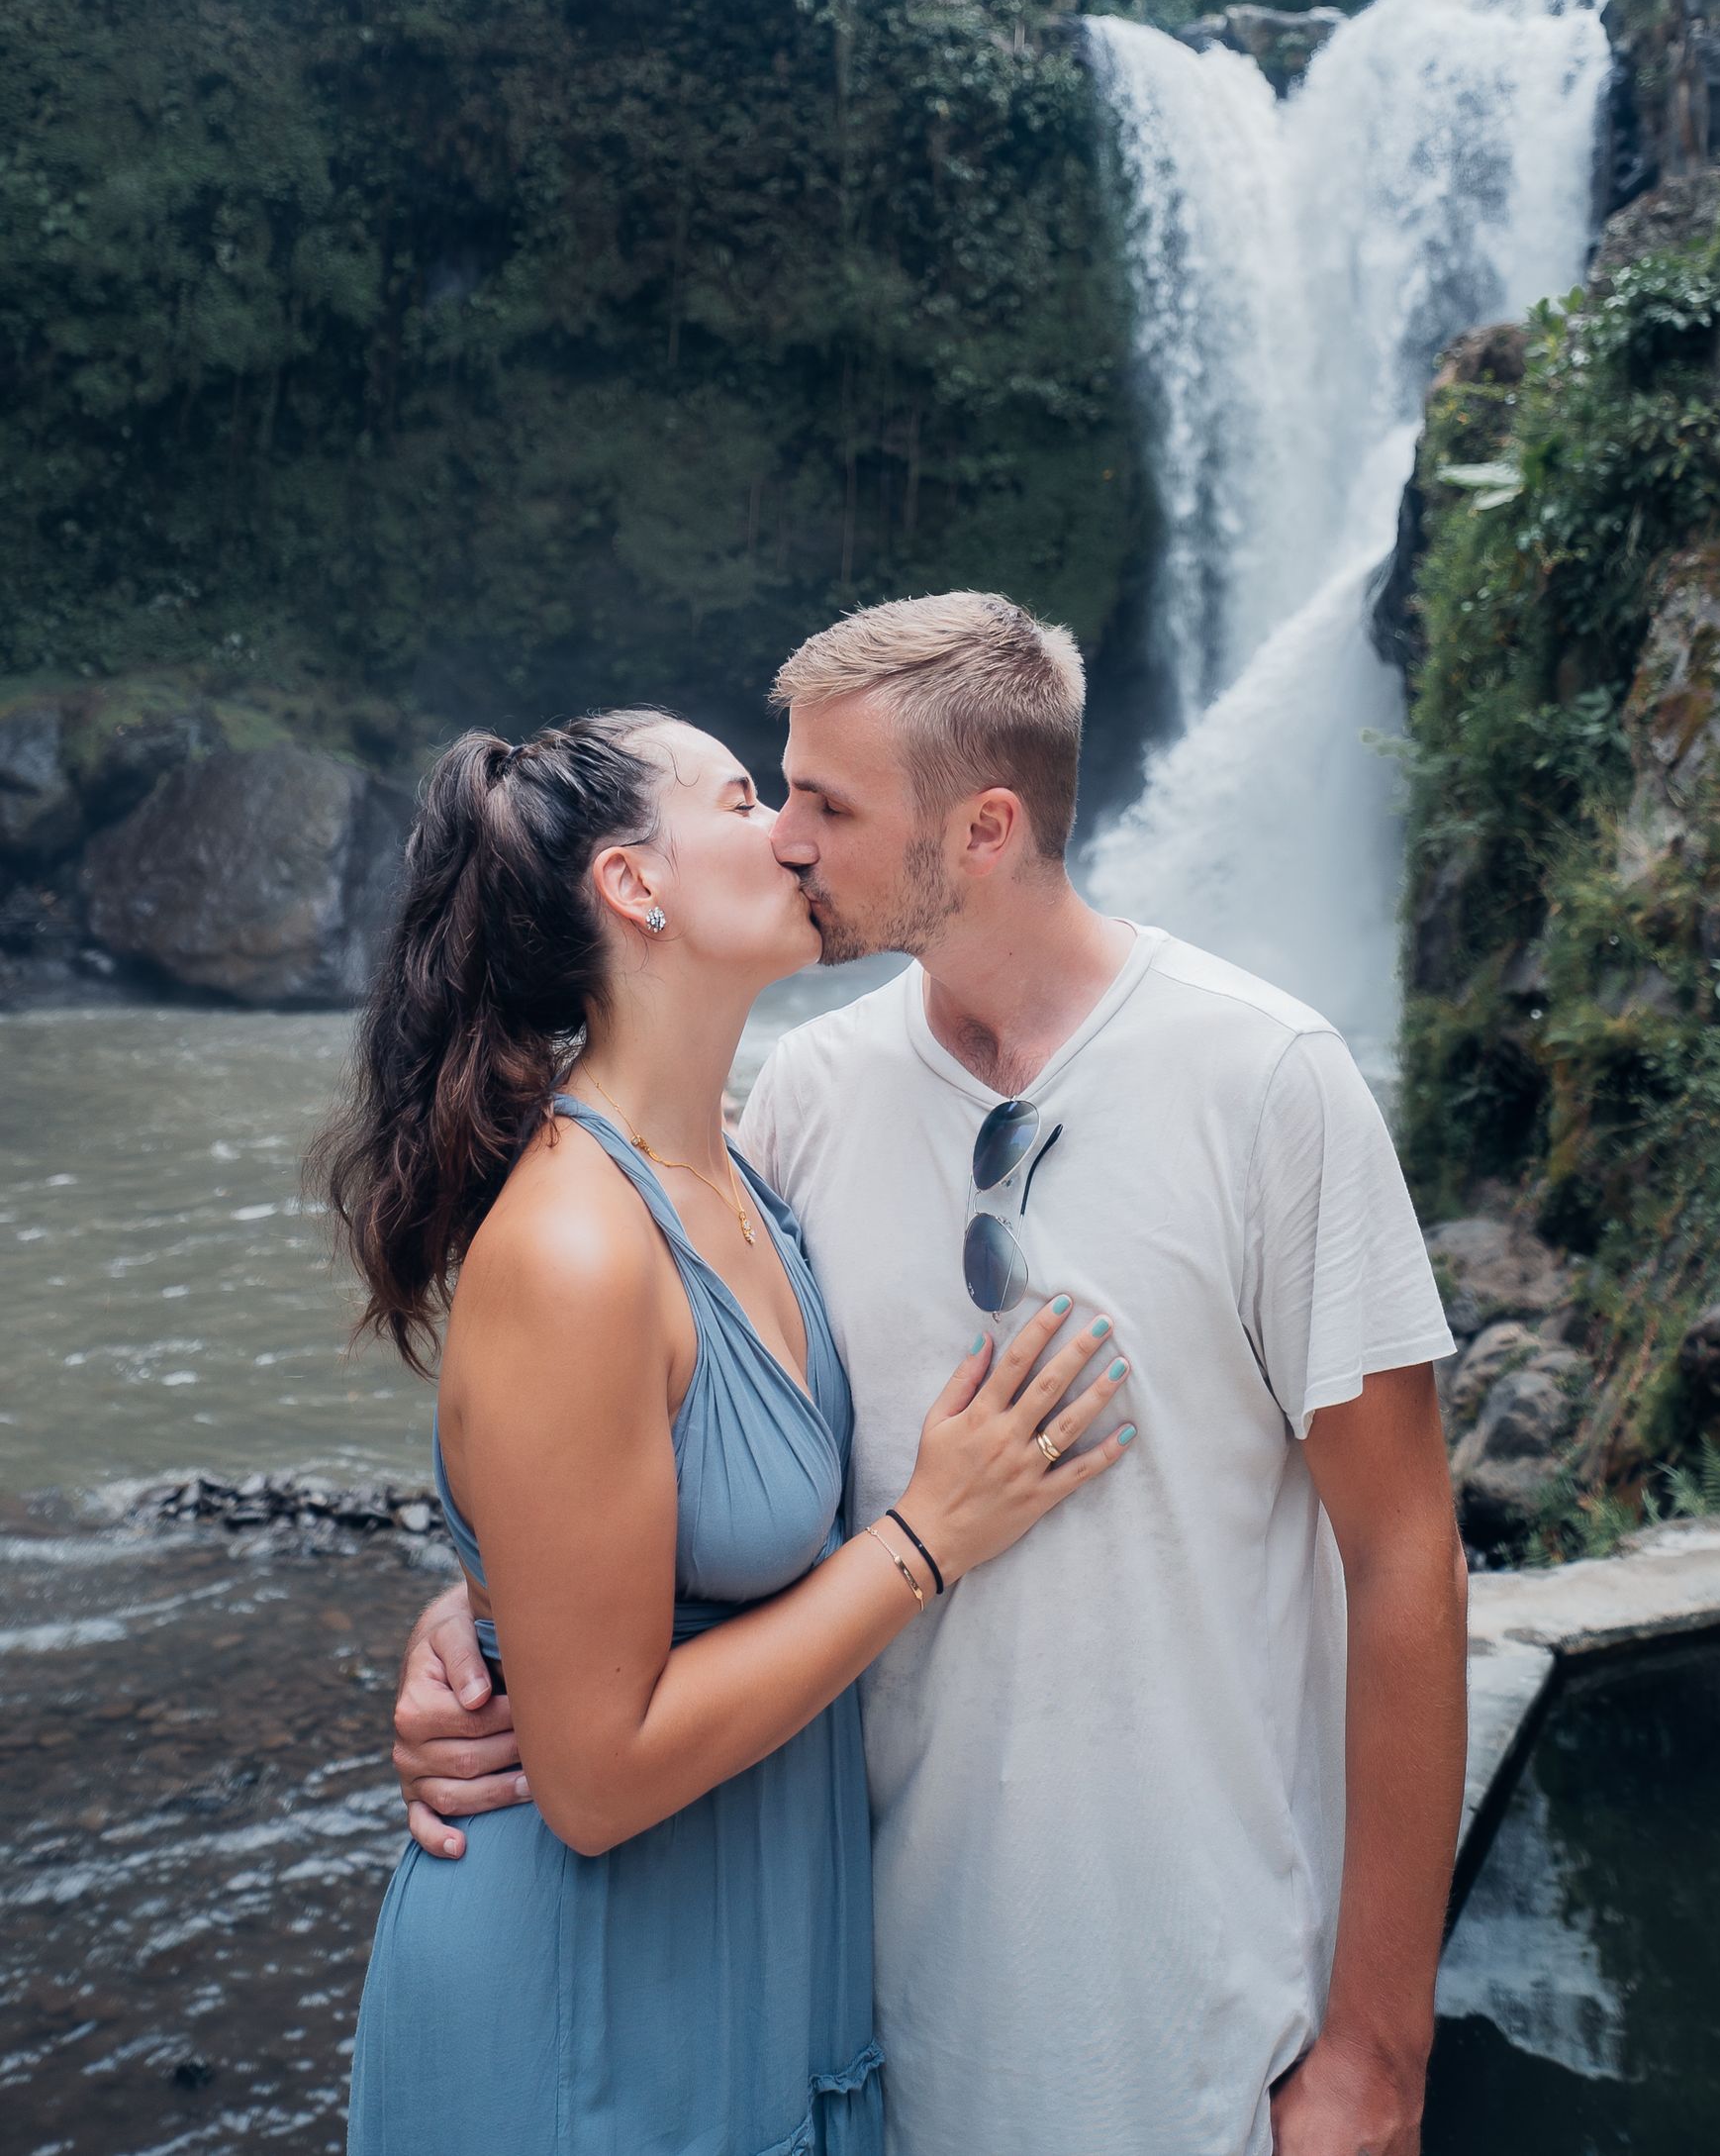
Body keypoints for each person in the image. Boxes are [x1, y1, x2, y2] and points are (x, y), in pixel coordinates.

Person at [395, 595, 1470, 2156]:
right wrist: (473, 1625)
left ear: (981, 830)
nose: (788, 841)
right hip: (861, 2025)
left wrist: (1380, 2047)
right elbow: (639, 1451)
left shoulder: (1273, 1082)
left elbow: (1408, 1563)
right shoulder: (800, 1106)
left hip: (1202, 2027)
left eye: (823, 805)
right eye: (768, 795)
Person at [319, 710, 1136, 2156]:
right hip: (582, 2025)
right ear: (636, 888)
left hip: (742, 1981)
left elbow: (632, 1517)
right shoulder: (576, 1244)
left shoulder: (741, 1174)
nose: (796, 833)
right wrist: (927, 1539)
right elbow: (592, 1776)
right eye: (749, 796)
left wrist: (483, 1597)